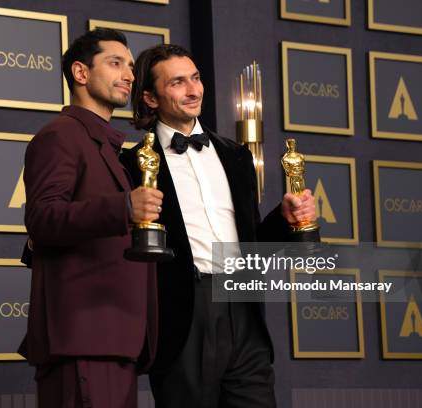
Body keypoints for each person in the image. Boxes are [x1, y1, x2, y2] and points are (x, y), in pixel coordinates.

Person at [121, 44, 317, 408]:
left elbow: (253, 240)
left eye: (195, 78)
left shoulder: (235, 154)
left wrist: (284, 218)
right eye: (178, 83)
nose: (194, 90)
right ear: (149, 97)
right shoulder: (131, 164)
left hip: (243, 308)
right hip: (183, 315)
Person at [18, 29, 163, 408]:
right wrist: (125, 208)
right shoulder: (61, 136)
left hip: (113, 338)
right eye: (116, 64)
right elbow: (42, 218)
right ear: (80, 74)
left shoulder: (106, 146)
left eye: (131, 67)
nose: (129, 75)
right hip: (83, 339)